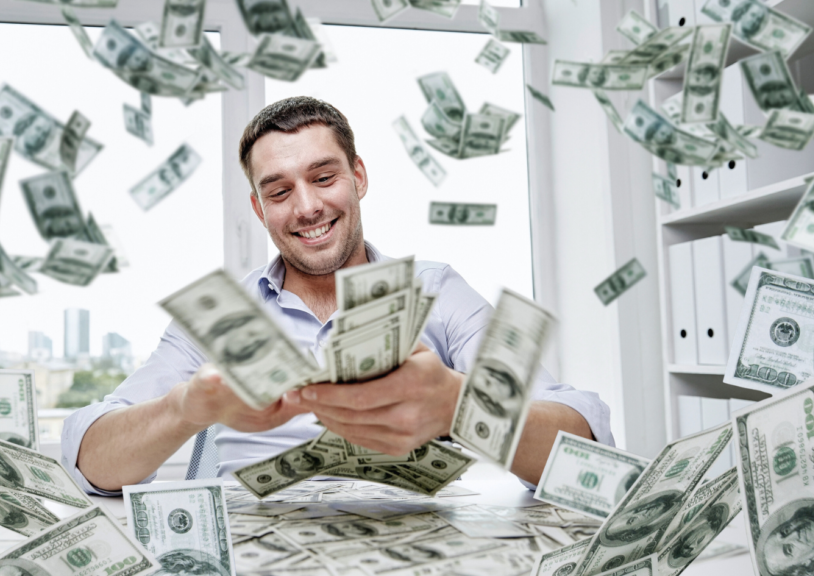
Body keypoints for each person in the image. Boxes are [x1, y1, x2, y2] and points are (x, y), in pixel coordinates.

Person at [63, 96, 613, 494]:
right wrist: (185, 407)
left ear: (359, 177)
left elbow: (583, 450)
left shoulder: (438, 292)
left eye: (323, 178)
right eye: (279, 191)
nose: (305, 208)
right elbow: (93, 459)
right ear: (259, 209)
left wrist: (457, 404)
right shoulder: (219, 323)